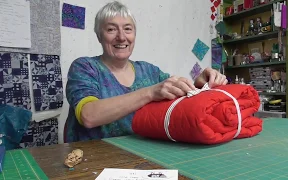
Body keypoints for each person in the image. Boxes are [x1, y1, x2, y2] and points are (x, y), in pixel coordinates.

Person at [64, 1, 227, 143]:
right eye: (111, 29)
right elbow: (89, 116)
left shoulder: (149, 71)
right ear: (99, 36)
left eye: (128, 29)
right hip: (89, 161)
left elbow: (177, 98)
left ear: (134, 35)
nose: (121, 37)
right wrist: (150, 92)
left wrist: (199, 84)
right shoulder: (85, 67)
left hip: (138, 155)